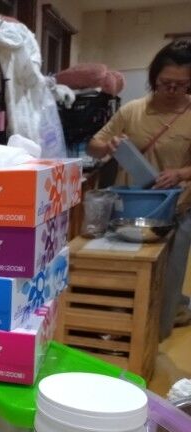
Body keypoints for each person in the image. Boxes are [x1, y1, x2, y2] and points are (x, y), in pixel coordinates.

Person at [88, 40, 191, 340]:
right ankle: (122, 334)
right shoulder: (133, 110)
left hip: (178, 209)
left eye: (181, 85)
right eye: (165, 83)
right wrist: (107, 146)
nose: (171, 90)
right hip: (130, 211)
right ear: (154, 78)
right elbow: (94, 145)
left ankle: (155, 336)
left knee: (168, 278)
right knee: (126, 275)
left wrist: (181, 173)